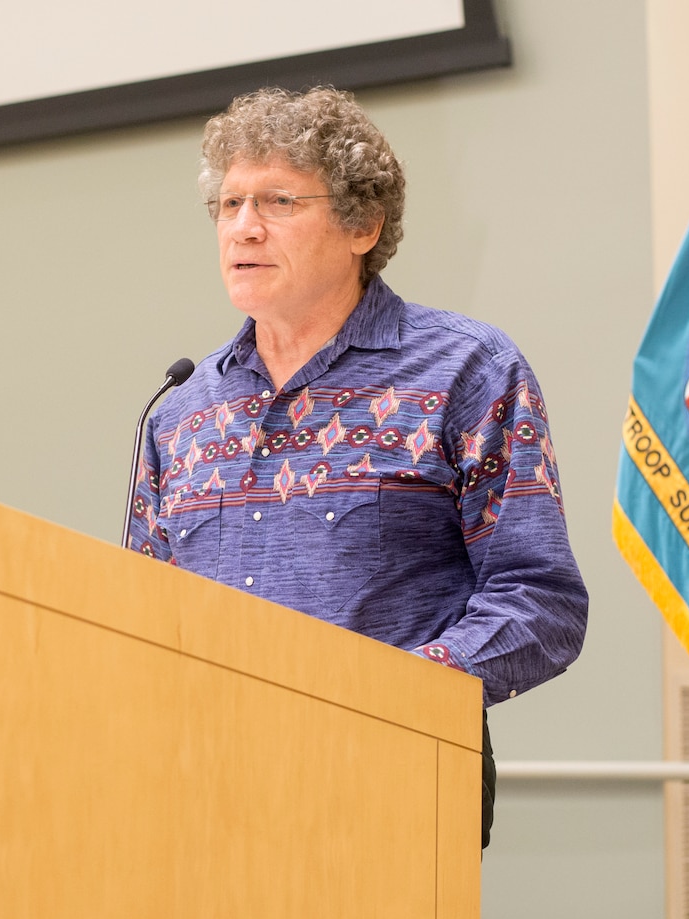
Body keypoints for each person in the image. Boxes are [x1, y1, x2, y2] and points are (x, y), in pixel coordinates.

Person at [126, 87, 588, 848]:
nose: (243, 225)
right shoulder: (182, 409)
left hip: (392, 778)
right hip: (201, 790)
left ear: (362, 225)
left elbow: (540, 602)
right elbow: (143, 615)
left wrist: (389, 697)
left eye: (277, 200)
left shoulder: (466, 370)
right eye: (229, 203)